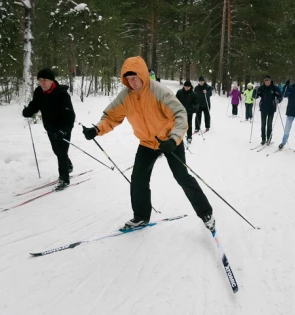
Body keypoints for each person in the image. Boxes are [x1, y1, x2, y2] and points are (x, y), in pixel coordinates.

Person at [81, 56, 215, 232]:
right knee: (138, 179)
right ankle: (141, 216)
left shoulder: (158, 92)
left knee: (182, 176)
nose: (132, 82)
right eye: (128, 79)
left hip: (168, 140)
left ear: (143, 75)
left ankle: (205, 213)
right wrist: (97, 129)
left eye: (135, 77)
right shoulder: (126, 96)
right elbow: (111, 116)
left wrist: (173, 139)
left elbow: (180, 114)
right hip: (146, 142)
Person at [22, 68, 75, 190]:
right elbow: (35, 105)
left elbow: (70, 115)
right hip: (50, 128)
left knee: (61, 152)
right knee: (57, 151)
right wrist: (28, 111)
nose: (42, 83)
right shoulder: (39, 92)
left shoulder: (62, 94)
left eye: (45, 80)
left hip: (63, 128)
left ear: (51, 80)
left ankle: (64, 179)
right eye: (40, 80)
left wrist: (63, 130)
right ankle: (68, 165)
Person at [255, 76, 282, 145]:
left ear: (270, 81)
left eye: (268, 82)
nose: (267, 83)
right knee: (263, 125)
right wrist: (255, 91)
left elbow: (280, 96)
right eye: (266, 82)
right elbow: (255, 96)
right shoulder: (262, 88)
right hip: (263, 108)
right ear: (264, 82)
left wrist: (278, 100)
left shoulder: (274, 88)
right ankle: (263, 139)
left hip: (271, 109)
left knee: (269, 125)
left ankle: (269, 138)